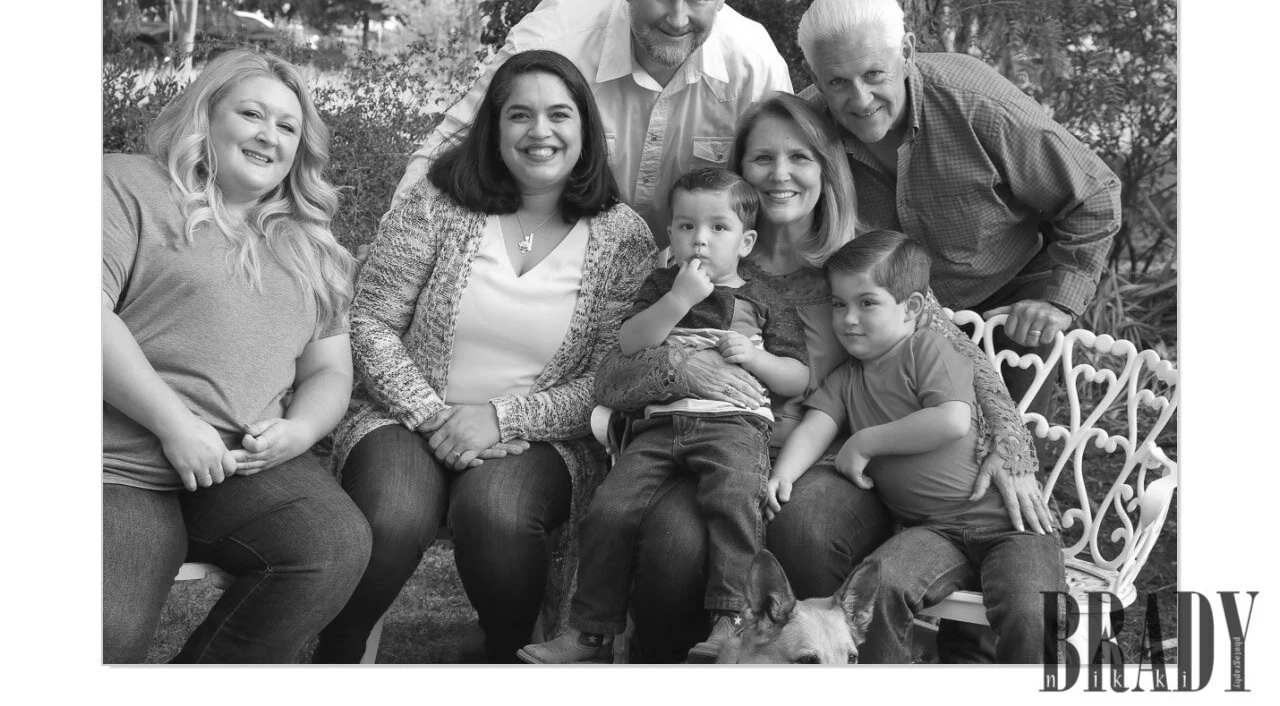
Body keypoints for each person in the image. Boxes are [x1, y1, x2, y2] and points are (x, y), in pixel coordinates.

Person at [591, 92, 1052, 662]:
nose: (779, 174)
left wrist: (1012, 444)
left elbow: (963, 358)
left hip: (830, 459)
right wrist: (681, 366)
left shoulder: (861, 263)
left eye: (800, 157)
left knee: (804, 523)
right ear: (740, 170)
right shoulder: (701, 258)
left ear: (827, 168)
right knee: (673, 540)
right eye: (762, 158)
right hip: (710, 443)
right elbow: (610, 375)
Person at [313, 49, 656, 663]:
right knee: (392, 515)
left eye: (559, 114)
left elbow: (607, 376)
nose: (540, 131)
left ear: (585, 129)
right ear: (494, 129)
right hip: (403, 416)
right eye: (519, 115)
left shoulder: (623, 236)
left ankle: (502, 652)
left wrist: (500, 419)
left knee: (496, 513)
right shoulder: (437, 203)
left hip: (541, 438)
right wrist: (434, 417)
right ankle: (334, 660)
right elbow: (370, 320)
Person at [102, 49, 372, 663]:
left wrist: (300, 430)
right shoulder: (127, 185)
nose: (269, 135)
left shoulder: (310, 246)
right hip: (118, 466)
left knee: (331, 546)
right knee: (105, 636)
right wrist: (176, 426)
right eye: (252, 114)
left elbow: (330, 369)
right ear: (206, 115)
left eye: (287, 126)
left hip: (240, 469)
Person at [518, 169, 809, 664]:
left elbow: (798, 377)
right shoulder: (660, 286)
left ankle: (731, 621)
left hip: (733, 426)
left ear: (746, 242)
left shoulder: (765, 298)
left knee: (734, 499)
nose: (700, 239)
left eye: (718, 227)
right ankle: (590, 633)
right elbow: (631, 342)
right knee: (610, 509)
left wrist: (757, 359)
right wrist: (679, 299)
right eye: (686, 226)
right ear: (670, 232)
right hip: (658, 426)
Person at [798, 0, 1121, 417]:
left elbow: (1093, 193)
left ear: (907, 52)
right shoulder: (804, 128)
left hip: (1009, 303)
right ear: (814, 74)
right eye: (837, 81)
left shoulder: (978, 103)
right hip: (891, 318)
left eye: (874, 74)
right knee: (912, 447)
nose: (860, 99)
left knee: (1014, 442)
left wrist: (1056, 300)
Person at [768, 230, 1065, 662]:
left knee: (1030, 609)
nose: (848, 319)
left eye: (866, 303)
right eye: (839, 304)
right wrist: (783, 475)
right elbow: (815, 428)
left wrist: (865, 441)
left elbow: (950, 420)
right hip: (932, 532)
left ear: (911, 308)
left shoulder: (927, 350)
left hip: (1010, 524)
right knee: (881, 592)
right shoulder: (846, 380)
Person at [390, 0, 792, 239]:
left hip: (695, 280)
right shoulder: (552, 40)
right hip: (552, 260)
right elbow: (452, 145)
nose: (677, 19)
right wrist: (392, 248)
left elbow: (784, 186)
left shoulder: (754, 64)